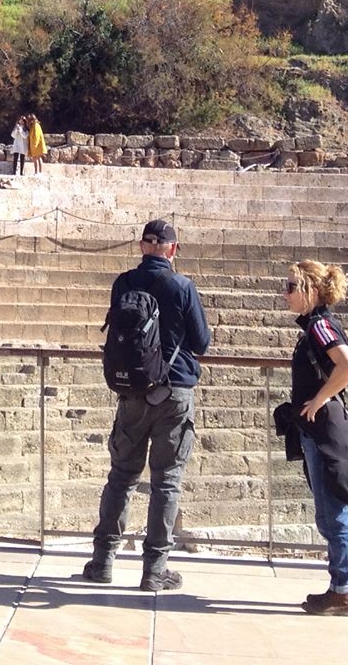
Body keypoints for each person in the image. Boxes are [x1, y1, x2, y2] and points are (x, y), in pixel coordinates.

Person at [79, 217, 212, 592]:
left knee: (121, 476)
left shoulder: (123, 283)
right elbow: (201, 343)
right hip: (175, 393)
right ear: (173, 249)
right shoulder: (183, 285)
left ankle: (103, 561)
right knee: (166, 481)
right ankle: (155, 570)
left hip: (132, 392)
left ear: (142, 246)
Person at [280, 258, 348, 615]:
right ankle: (344, 585)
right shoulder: (315, 326)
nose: (285, 294)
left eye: (291, 287)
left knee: (332, 512)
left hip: (325, 431)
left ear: (311, 291)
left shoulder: (320, 325)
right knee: (328, 512)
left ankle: (345, 589)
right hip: (319, 429)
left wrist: (320, 398)